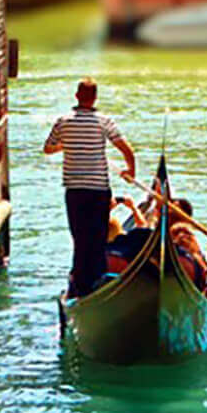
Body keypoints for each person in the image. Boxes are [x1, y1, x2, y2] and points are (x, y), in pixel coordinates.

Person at [44, 78, 135, 296]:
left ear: (77, 96)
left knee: (79, 235)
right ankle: (98, 278)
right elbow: (125, 148)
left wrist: (65, 145)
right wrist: (130, 171)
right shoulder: (104, 121)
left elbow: (47, 148)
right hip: (98, 189)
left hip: (75, 189)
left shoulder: (63, 121)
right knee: (98, 235)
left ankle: (81, 281)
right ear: (95, 98)